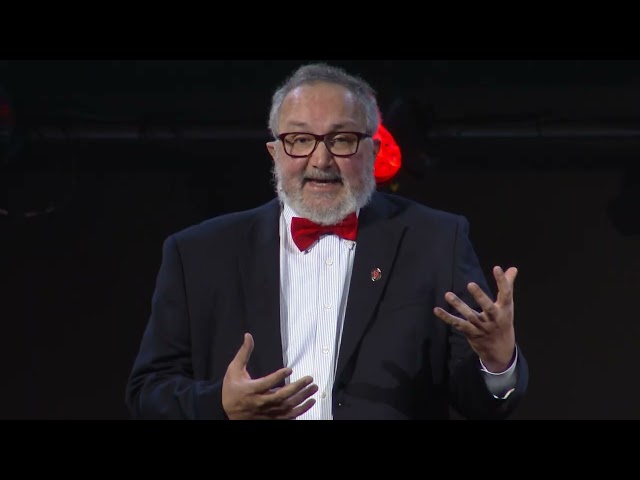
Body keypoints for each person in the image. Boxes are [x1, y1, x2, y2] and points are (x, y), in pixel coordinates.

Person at [125, 62, 529, 420]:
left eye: (342, 140)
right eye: (300, 140)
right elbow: (148, 393)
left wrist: (496, 362)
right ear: (274, 152)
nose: (320, 160)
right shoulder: (199, 253)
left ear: (373, 150)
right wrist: (221, 405)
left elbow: (480, 404)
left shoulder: (435, 241)